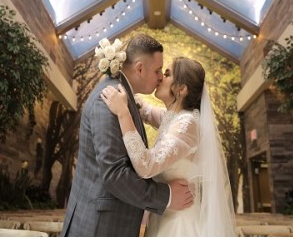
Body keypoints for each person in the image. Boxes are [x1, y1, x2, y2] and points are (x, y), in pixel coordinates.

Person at [61, 34, 195, 237]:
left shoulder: (124, 99)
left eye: (164, 73)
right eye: (158, 70)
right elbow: (115, 175)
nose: (160, 77)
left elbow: (150, 115)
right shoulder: (108, 100)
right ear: (140, 68)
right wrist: (166, 196)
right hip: (99, 228)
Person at [101, 56, 236, 236]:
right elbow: (146, 111)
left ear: (181, 89)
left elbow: (146, 165)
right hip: (164, 216)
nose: (160, 78)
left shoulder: (187, 124)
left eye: (166, 74)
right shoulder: (172, 117)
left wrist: (123, 113)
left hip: (181, 224)